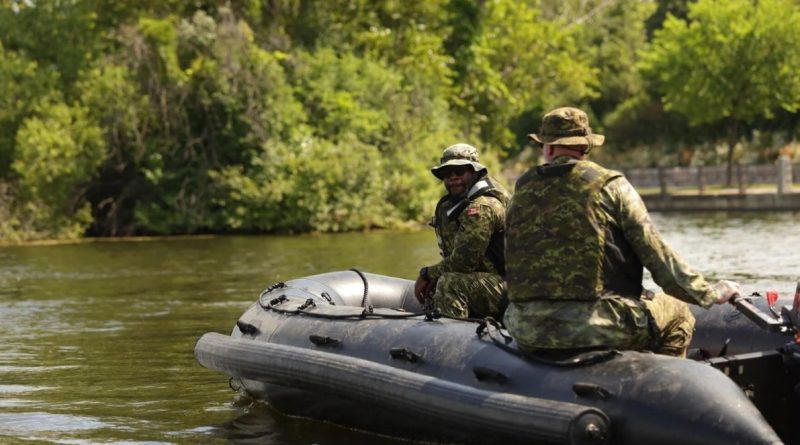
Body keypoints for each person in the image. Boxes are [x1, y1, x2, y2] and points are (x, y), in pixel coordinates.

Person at [503, 107, 741, 356]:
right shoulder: (611, 186)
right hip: (594, 326)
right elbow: (660, 260)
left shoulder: (521, 190)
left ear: (548, 148)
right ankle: (659, 387)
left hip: (525, 327)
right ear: (586, 147)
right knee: (679, 313)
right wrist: (710, 293)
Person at [414, 143, 510, 319]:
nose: (453, 177)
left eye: (459, 172)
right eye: (447, 173)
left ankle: (453, 343)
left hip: (507, 288)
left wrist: (426, 273)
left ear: (474, 172)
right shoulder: (454, 205)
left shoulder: (481, 207)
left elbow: (464, 263)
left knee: (450, 284)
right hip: (483, 283)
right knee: (441, 281)